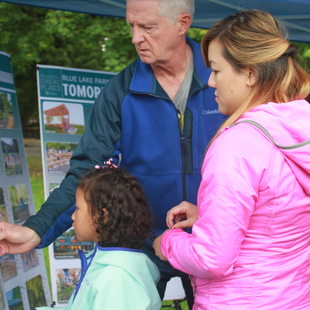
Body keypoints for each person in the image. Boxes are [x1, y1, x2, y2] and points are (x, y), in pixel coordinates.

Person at [0, 0, 225, 306]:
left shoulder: (225, 77)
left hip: (214, 241)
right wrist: (37, 229)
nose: (135, 37)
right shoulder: (120, 90)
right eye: (131, 26)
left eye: (147, 27)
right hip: (142, 245)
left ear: (182, 23)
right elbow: (86, 172)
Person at [153, 9, 310, 310]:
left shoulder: (238, 144)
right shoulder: (299, 132)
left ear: (250, 74)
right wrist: (210, 216)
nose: (210, 82)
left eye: (216, 70)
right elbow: (279, 221)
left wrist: (167, 244)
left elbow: (212, 259)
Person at [36, 165, 162, 310]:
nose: (72, 216)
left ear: (102, 215)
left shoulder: (116, 278)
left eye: (78, 209)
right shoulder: (107, 264)